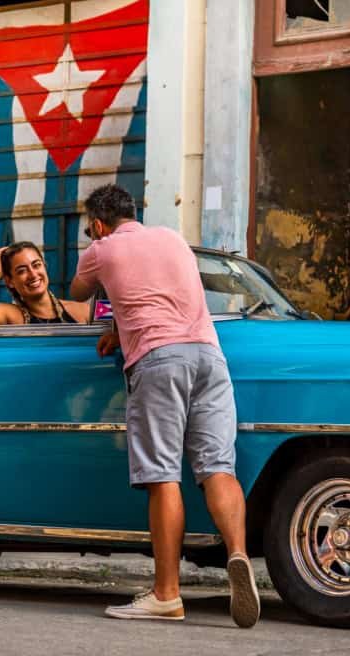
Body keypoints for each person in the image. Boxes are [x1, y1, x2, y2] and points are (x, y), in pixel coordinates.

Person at [69, 184, 259, 628]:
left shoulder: (101, 248)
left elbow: (79, 292)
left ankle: (167, 595)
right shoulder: (173, 239)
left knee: (162, 475)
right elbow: (158, 289)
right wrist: (120, 324)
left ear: (97, 224)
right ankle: (237, 553)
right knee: (218, 468)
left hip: (159, 358)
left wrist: (99, 272)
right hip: (209, 355)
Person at [0, 241, 90, 328]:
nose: (33, 274)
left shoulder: (84, 310)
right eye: (22, 271)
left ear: (45, 266)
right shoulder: (11, 315)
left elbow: (112, 312)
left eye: (37, 265)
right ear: (10, 281)